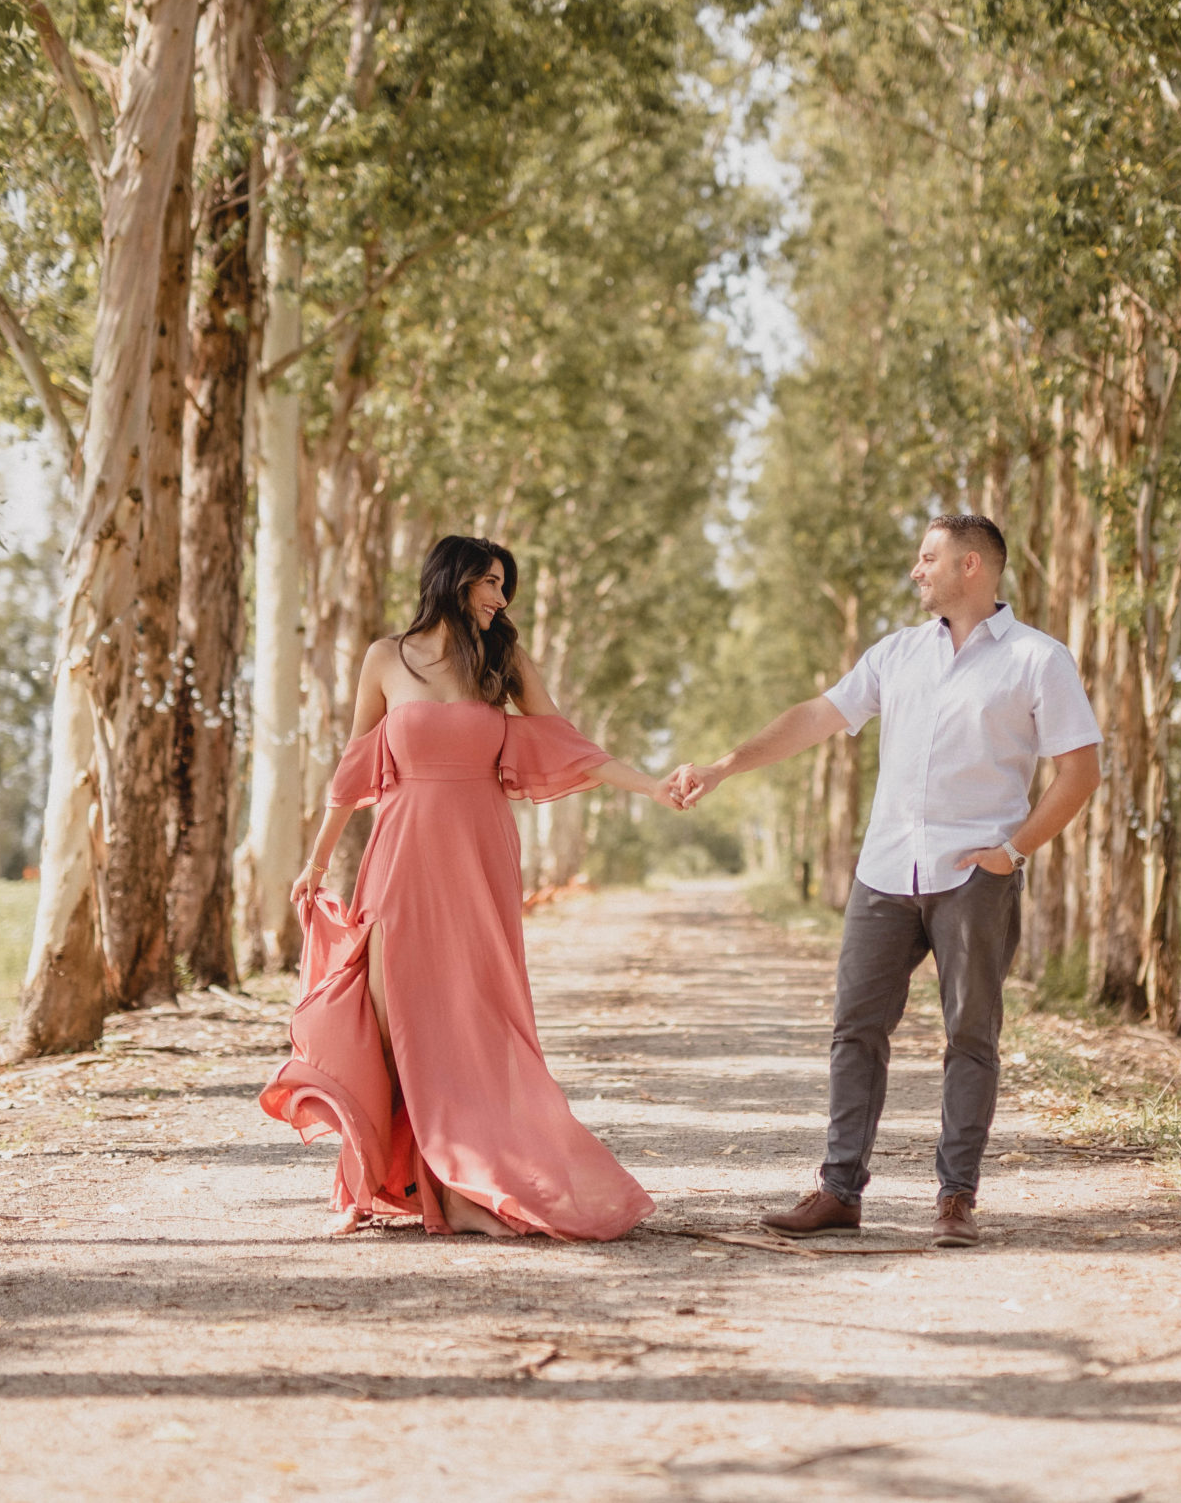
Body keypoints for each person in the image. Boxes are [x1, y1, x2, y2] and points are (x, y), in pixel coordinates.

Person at [666, 513, 1100, 1248]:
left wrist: (1013, 849)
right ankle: (839, 1191)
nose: (916, 569)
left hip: (975, 875)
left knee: (971, 1035)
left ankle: (955, 1198)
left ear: (972, 565)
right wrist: (724, 765)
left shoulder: (1038, 659)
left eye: (928, 557)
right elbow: (816, 716)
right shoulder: (897, 654)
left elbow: (1079, 770)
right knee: (855, 1029)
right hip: (884, 872)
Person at [260, 535, 680, 1241]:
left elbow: (567, 745)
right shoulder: (385, 658)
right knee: (391, 1020)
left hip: (479, 856)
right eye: (491, 582)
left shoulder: (502, 661)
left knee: (471, 1019)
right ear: (454, 581)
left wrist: (654, 786)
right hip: (401, 854)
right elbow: (355, 767)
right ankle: (371, 1181)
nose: (501, 598)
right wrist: (316, 860)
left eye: (503, 584)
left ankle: (457, 1192)